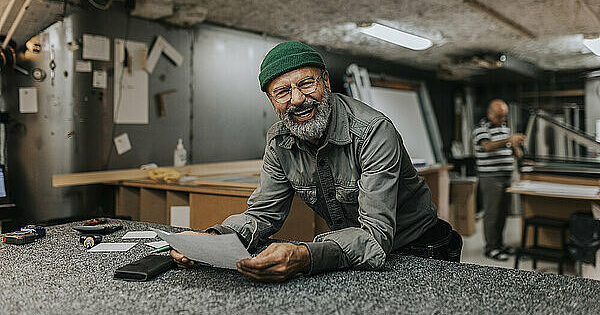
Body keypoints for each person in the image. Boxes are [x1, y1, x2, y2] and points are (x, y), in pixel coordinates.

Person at [171, 41, 462, 281]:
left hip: (418, 249)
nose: (297, 99)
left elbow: (375, 236)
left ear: (325, 80)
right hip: (351, 251)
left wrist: (303, 256)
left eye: (306, 84)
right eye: (282, 92)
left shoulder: (373, 131)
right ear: (271, 101)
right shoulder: (278, 141)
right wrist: (213, 239)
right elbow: (263, 214)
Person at [473, 99, 525, 261]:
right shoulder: (481, 129)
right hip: (491, 177)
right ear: (490, 114)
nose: (503, 119)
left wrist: (517, 148)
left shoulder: (504, 128)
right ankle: (491, 247)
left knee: (502, 213)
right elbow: (487, 146)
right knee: (492, 214)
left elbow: (512, 150)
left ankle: (499, 244)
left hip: (506, 176)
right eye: (499, 116)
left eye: (505, 116)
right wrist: (509, 140)